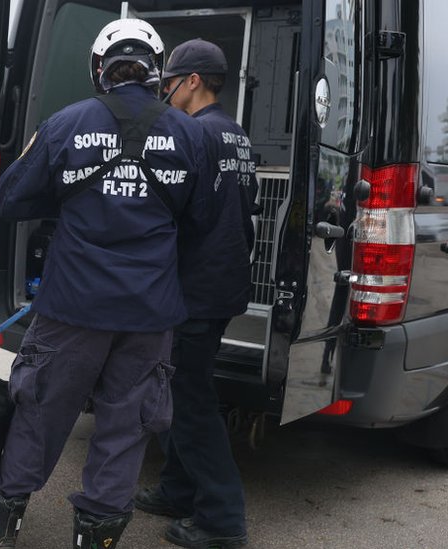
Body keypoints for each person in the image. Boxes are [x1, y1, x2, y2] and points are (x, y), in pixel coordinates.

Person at [0, 18, 216, 549]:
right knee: (125, 431)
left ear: (99, 69)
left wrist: (71, 195)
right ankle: (96, 539)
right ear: (157, 72)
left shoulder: (66, 124)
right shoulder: (192, 134)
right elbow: (203, 222)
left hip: (71, 309)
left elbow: (11, 199)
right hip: (149, 316)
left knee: (41, 414)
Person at [134, 39, 257, 549]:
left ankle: (222, 520)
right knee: (182, 391)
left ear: (192, 82)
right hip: (223, 286)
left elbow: (179, 215)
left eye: (167, 83)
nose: (163, 92)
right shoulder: (235, 135)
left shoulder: (191, 134)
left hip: (195, 292)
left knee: (190, 405)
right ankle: (179, 489)